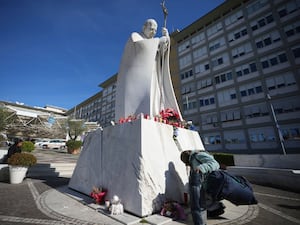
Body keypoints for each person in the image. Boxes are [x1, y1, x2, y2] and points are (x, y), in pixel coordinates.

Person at [115, 18, 182, 122]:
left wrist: (166, 39)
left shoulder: (153, 41)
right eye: (151, 29)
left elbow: (161, 53)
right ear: (144, 28)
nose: (153, 32)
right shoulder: (135, 36)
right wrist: (158, 41)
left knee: (155, 93)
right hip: (140, 77)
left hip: (154, 72)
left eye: (155, 30)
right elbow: (141, 47)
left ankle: (156, 114)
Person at [180, 150, 223, 225]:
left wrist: (200, 168)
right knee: (199, 206)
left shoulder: (197, 155)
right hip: (202, 185)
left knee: (198, 207)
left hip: (207, 184)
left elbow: (215, 164)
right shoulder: (193, 160)